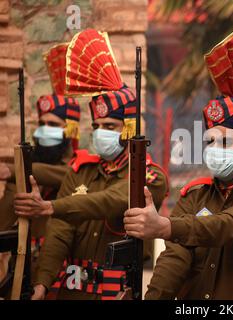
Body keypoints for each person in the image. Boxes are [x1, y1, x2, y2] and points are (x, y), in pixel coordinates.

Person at [123, 20, 233, 300]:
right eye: (210, 141)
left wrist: (166, 227)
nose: (215, 149)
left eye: (226, 141)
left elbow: (226, 226)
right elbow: (175, 259)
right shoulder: (194, 196)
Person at [13, 29, 168, 300]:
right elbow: (61, 230)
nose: (100, 132)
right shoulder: (81, 169)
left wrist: (51, 206)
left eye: (109, 126)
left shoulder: (150, 175)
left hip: (116, 292)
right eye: (96, 126)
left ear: (128, 128)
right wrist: (42, 283)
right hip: (72, 291)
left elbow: (111, 200)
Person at [0, 43, 81, 284]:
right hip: (24, 272)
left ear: (71, 130)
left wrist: (12, 170)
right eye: (42, 123)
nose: (45, 130)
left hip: (64, 274)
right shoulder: (26, 171)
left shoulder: (80, 167)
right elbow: (4, 220)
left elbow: (60, 175)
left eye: (53, 125)